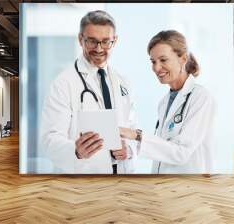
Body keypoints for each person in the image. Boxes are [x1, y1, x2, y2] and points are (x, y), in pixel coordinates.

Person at [41, 10, 136, 174]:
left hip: (123, 176)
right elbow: (50, 140)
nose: (99, 49)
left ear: (115, 41)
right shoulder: (63, 83)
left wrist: (130, 149)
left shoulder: (122, 81)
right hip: (85, 179)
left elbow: (132, 128)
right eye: (92, 42)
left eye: (106, 42)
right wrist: (76, 151)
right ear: (80, 39)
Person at [119, 30, 215, 174]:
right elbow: (164, 148)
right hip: (164, 184)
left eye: (163, 60)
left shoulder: (201, 97)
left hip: (190, 186)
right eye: (153, 62)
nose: (156, 68)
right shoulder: (164, 103)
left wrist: (137, 135)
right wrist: (132, 148)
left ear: (182, 59)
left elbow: (181, 152)